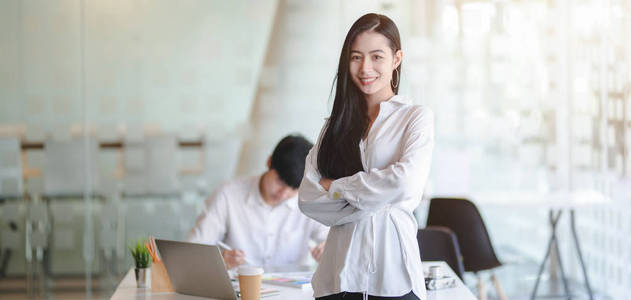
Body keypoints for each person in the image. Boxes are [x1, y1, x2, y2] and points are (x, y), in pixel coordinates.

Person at [298, 13, 434, 300]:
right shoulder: (333, 125)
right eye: (356, 57)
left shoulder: (415, 118)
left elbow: (405, 184)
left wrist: (335, 187)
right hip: (337, 277)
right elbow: (308, 198)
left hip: (394, 277)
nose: (365, 68)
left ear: (396, 59)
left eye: (376, 57)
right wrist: (375, 198)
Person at [188, 135, 328, 269]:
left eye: (293, 188)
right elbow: (193, 250)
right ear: (268, 162)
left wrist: (327, 251)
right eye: (280, 182)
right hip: (239, 289)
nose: (283, 193)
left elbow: (333, 243)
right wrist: (219, 261)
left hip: (294, 292)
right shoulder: (228, 195)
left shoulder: (309, 200)